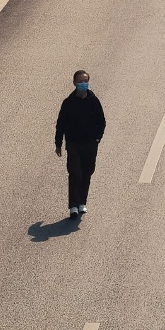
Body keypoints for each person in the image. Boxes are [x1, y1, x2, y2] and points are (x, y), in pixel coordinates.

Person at [55, 69, 106, 219]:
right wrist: (58, 143)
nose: (83, 84)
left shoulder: (94, 101)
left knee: (87, 172)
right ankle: (73, 206)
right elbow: (60, 124)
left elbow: (101, 122)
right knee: (75, 173)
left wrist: (97, 138)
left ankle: (82, 203)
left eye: (85, 81)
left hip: (90, 144)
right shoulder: (68, 103)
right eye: (80, 81)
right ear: (74, 83)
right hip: (73, 144)